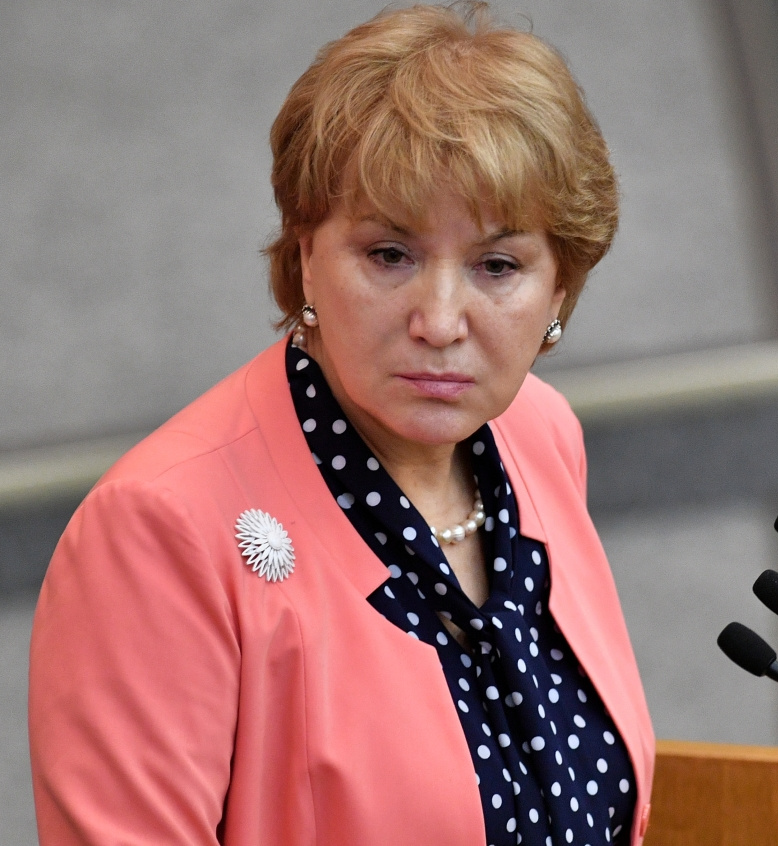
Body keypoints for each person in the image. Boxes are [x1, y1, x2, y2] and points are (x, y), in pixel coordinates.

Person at [28, 4, 655, 844]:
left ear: (560, 290)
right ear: (304, 257)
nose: (440, 320)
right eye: (389, 255)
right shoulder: (157, 531)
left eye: (497, 265)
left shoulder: (538, 434)